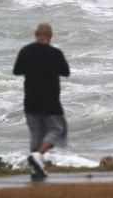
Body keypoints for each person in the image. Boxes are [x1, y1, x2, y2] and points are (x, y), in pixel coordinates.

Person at [13, 23, 70, 181]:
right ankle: (38, 155)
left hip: (30, 99)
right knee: (58, 130)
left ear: (35, 34)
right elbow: (66, 72)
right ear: (50, 36)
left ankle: (36, 169)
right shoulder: (55, 53)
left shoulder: (25, 51)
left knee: (36, 134)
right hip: (50, 100)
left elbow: (17, 71)